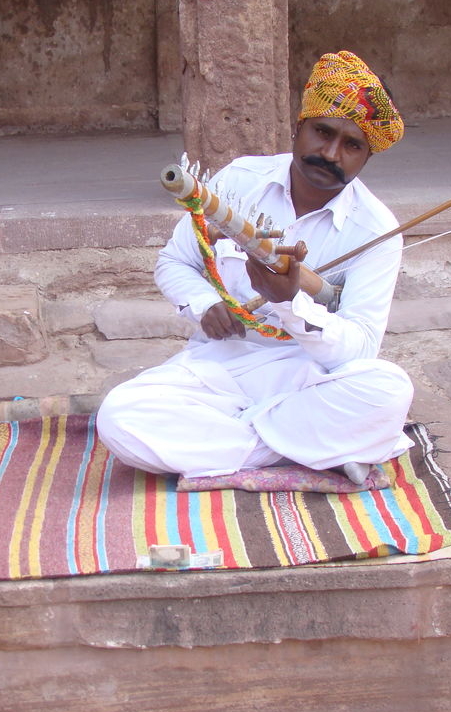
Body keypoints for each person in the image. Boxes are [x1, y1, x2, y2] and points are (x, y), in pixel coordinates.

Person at [96, 51, 413, 486]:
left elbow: (360, 349)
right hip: (219, 367)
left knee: (389, 389)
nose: (330, 153)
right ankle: (309, 447)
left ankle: (240, 444)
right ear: (299, 126)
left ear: (366, 157)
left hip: (307, 377)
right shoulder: (239, 180)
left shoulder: (377, 230)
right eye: (323, 132)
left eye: (352, 145)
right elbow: (175, 261)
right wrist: (204, 304)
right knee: (118, 418)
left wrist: (291, 304)